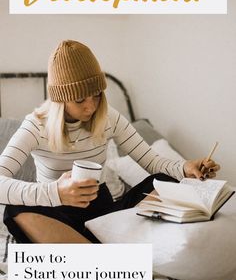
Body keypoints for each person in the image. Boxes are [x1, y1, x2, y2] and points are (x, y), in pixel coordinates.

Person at [0, 40, 219, 244]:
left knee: (165, 181)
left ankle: (94, 253)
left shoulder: (108, 118)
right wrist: (56, 192)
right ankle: (101, 255)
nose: (91, 106)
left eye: (96, 95)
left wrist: (185, 168)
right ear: (60, 99)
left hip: (103, 217)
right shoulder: (36, 126)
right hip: (57, 216)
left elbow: (153, 162)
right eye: (79, 100)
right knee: (14, 209)